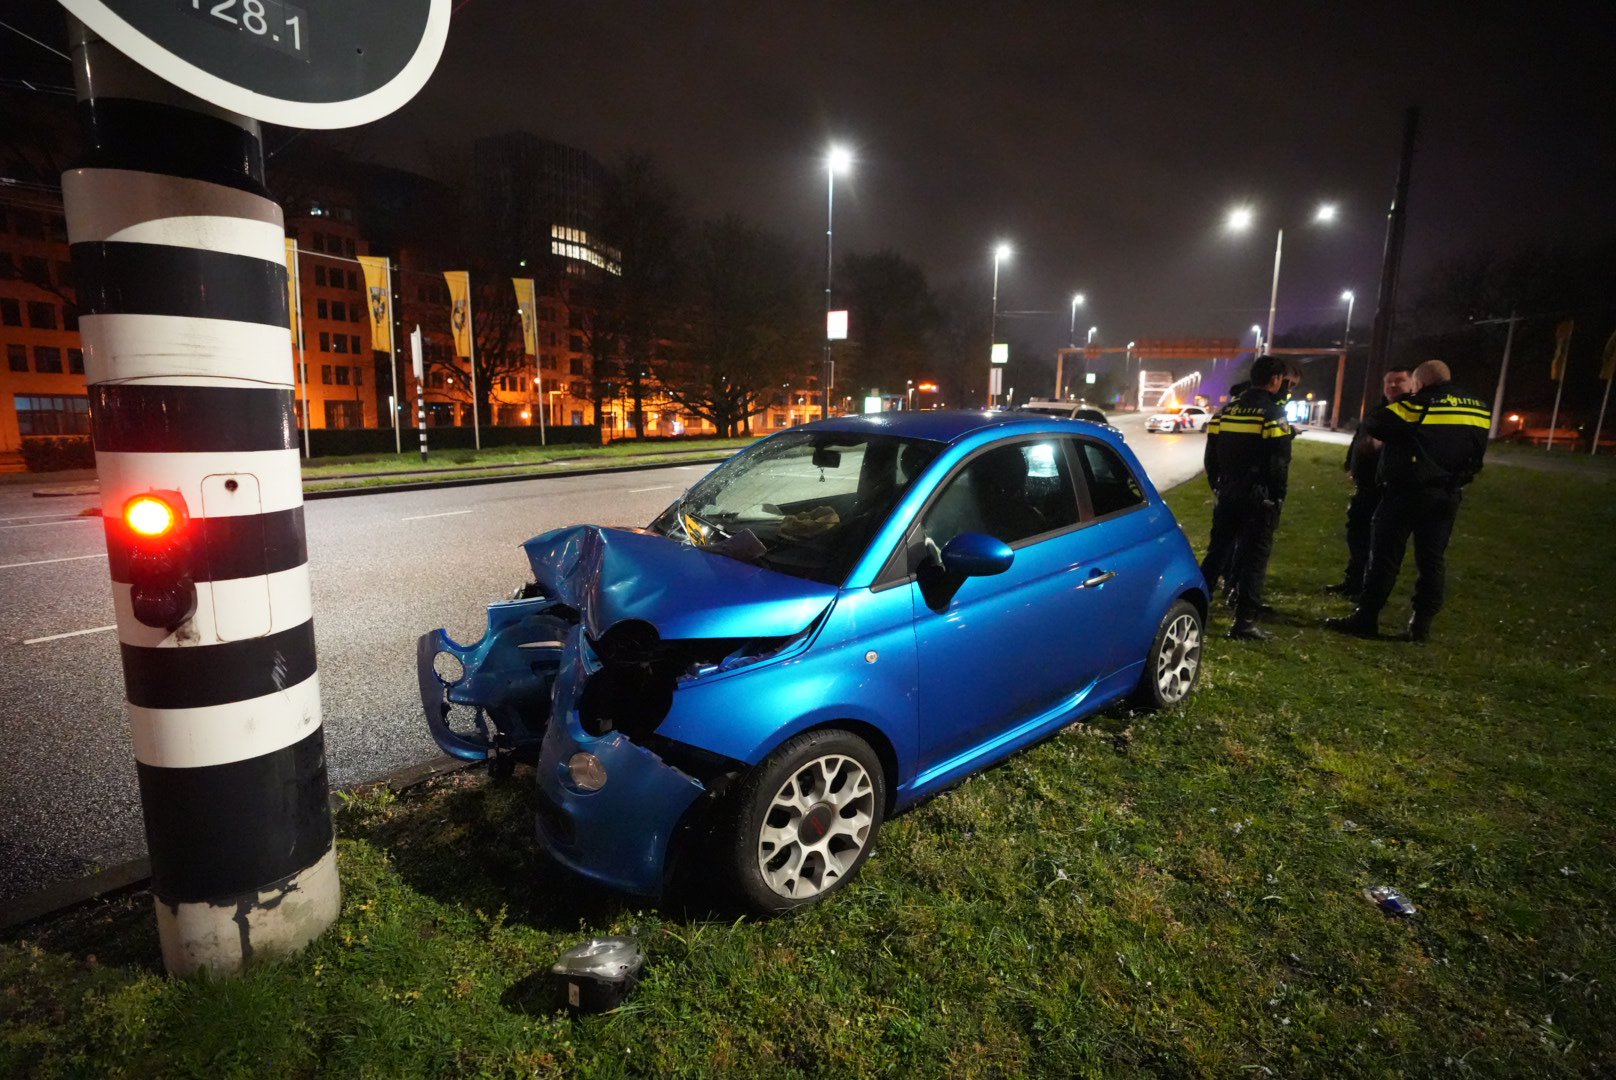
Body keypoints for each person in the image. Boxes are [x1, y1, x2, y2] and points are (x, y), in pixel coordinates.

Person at [1327, 359, 1491, 642]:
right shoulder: (1477, 408)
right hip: (1448, 492)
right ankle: (1420, 625)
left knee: (1384, 556)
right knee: (1432, 560)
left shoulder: (1420, 404)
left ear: (1419, 382)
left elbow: (1376, 422)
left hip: (1407, 492)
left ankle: (1366, 617)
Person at [1199, 355, 1295, 639]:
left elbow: (1210, 456)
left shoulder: (1226, 412)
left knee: (1217, 553)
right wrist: (1277, 496)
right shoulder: (1273, 415)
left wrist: (1218, 485)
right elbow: (1279, 463)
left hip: (1228, 493)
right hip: (1258, 497)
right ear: (1275, 380)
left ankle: (1197, 608)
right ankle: (1244, 622)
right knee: (1254, 558)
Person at [1325, 368, 1414, 598]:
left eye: (1399, 381)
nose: (1392, 385)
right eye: (1388, 381)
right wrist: (1351, 465)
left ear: (1412, 384)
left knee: (1378, 542)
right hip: (1365, 485)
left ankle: (1367, 588)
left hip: (1387, 488)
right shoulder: (1378, 410)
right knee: (1357, 533)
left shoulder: (1411, 412)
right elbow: (1359, 439)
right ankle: (1353, 581)